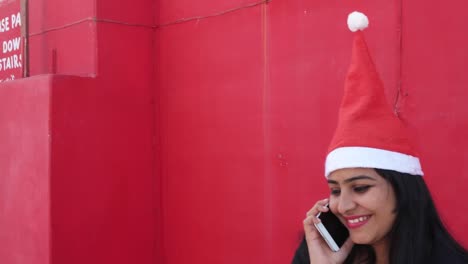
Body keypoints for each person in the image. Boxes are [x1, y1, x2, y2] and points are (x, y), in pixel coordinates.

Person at [292, 12, 468, 264]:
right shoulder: (315, 255)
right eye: (334, 189)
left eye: (361, 187)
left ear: (402, 190)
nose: (343, 206)